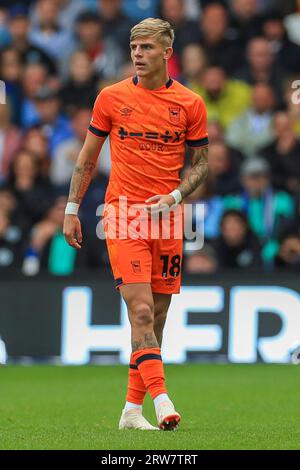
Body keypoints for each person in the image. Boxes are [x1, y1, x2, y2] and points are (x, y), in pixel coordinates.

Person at [63, 18, 209, 431]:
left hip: (168, 218)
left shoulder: (190, 104)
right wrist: (72, 209)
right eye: (134, 47)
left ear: (167, 52)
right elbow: (88, 158)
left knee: (156, 317)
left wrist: (176, 196)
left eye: (146, 47)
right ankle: (162, 401)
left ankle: (131, 410)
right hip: (122, 215)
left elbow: (202, 165)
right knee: (141, 310)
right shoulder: (110, 98)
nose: (138, 55)